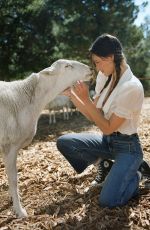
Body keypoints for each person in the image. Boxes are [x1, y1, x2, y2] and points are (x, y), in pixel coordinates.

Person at [56, 33, 150, 208]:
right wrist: (73, 95)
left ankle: (137, 174)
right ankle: (105, 165)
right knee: (65, 142)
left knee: (108, 201)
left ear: (111, 57)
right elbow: (94, 115)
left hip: (127, 148)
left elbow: (107, 127)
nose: (97, 68)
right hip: (107, 142)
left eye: (98, 62)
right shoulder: (104, 77)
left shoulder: (131, 87)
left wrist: (85, 99)